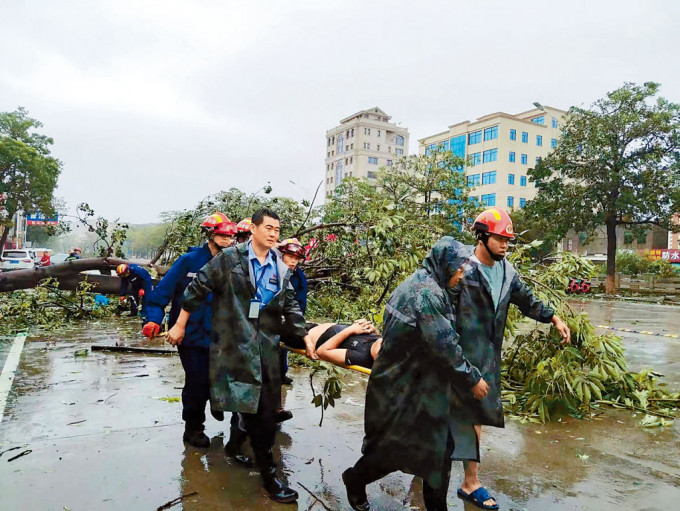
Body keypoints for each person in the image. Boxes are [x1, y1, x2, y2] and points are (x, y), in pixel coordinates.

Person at [166, 207, 316, 504]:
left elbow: (290, 305)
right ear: (255, 229)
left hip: (266, 350)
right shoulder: (231, 259)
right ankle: (269, 475)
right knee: (250, 408)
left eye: (277, 229)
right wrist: (180, 324)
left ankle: (242, 450)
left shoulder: (281, 268)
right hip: (235, 347)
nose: (274, 234)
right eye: (269, 228)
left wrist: (305, 334)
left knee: (264, 415)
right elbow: (196, 289)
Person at [342, 238, 480, 511]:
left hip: (419, 388)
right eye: (460, 268)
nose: (462, 274)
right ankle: (355, 478)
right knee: (393, 453)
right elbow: (445, 346)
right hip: (402, 390)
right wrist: (473, 378)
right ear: (446, 265)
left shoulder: (425, 283)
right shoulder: (426, 294)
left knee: (438, 453)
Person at [451, 207, 571, 510]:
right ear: (482, 236)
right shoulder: (460, 269)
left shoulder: (507, 272)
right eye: (499, 239)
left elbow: (527, 299)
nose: (505, 245)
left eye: (508, 240)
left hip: (484, 354)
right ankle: (425, 470)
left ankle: (470, 482)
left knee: (474, 416)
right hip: (453, 352)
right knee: (437, 413)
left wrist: (553, 318)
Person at [143, 213, 238, 449]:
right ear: (210, 235)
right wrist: (154, 320)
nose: (228, 241)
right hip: (190, 335)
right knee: (196, 382)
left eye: (231, 237)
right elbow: (160, 295)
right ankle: (193, 428)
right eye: (223, 236)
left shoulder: (235, 263)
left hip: (223, 335)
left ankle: (217, 402)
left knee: (222, 378)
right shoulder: (189, 261)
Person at [278, 237, 308, 385]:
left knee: (283, 348)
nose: (293, 261)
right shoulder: (271, 269)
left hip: (288, 317)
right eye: (290, 257)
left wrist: (296, 319)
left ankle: (282, 373)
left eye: (296, 258)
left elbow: (301, 299)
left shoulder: (299, 276)